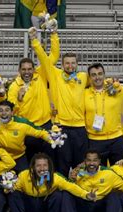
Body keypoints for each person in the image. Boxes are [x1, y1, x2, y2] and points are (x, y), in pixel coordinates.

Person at [8, 153, 96, 212]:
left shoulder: (55, 177)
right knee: (14, 194)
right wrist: (7, 188)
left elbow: (71, 187)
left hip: (45, 209)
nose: (42, 169)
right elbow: (12, 188)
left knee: (58, 195)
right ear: (33, 167)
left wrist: (86, 195)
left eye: (45, 165)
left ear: (49, 167)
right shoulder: (23, 175)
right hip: (29, 208)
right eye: (38, 165)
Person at [40, 30, 88, 177]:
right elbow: (44, 58)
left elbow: (100, 83)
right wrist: (53, 35)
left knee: (80, 165)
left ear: (77, 64)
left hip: (80, 128)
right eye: (67, 63)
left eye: (73, 63)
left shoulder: (84, 77)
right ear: (62, 64)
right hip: (62, 127)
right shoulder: (55, 75)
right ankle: (62, 195)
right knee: (62, 163)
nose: (70, 66)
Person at [0, 100, 52, 173]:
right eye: (1, 110)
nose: (4, 113)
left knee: (25, 180)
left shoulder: (22, 123)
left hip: (19, 157)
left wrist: (53, 140)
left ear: (12, 113)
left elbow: (41, 132)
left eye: (7, 110)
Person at [8, 54, 56, 163]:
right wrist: (19, 100)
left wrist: (52, 36)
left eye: (29, 69)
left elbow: (53, 57)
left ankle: (50, 180)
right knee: (32, 162)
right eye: (24, 69)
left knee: (50, 160)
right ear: (19, 70)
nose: (27, 72)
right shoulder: (14, 87)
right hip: (28, 129)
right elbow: (11, 112)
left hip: (45, 125)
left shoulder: (41, 77)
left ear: (34, 69)